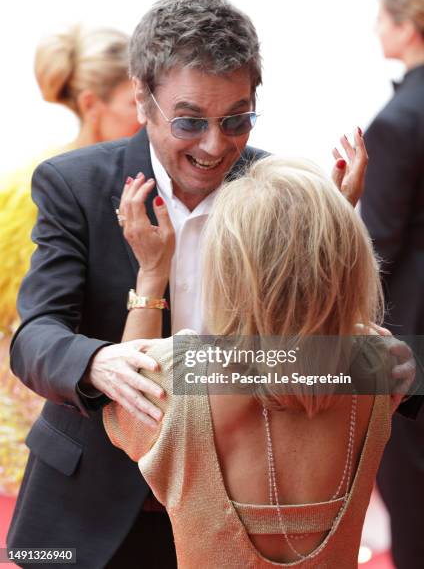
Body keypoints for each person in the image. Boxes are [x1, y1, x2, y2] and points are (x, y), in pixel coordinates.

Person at [7, 0, 408, 569]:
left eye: (237, 119)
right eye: (190, 121)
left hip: (239, 500)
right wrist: (96, 363)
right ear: (143, 100)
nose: (215, 146)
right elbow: (35, 335)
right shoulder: (73, 183)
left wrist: (334, 245)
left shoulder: (280, 187)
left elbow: (333, 348)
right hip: (91, 503)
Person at [104, 155, 403, 567]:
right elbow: (337, 331)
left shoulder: (177, 373)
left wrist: (152, 274)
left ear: (229, 266)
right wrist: (327, 234)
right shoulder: (380, 364)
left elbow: (129, 393)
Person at [0, 24, 139, 497]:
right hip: (40, 410)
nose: (147, 117)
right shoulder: (34, 188)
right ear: (90, 105)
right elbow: (27, 319)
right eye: (133, 103)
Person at [361, 0, 424, 568]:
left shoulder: (400, 120)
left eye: (382, 17)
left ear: (406, 27)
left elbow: (377, 246)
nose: (376, 27)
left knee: (411, 496)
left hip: (414, 332)